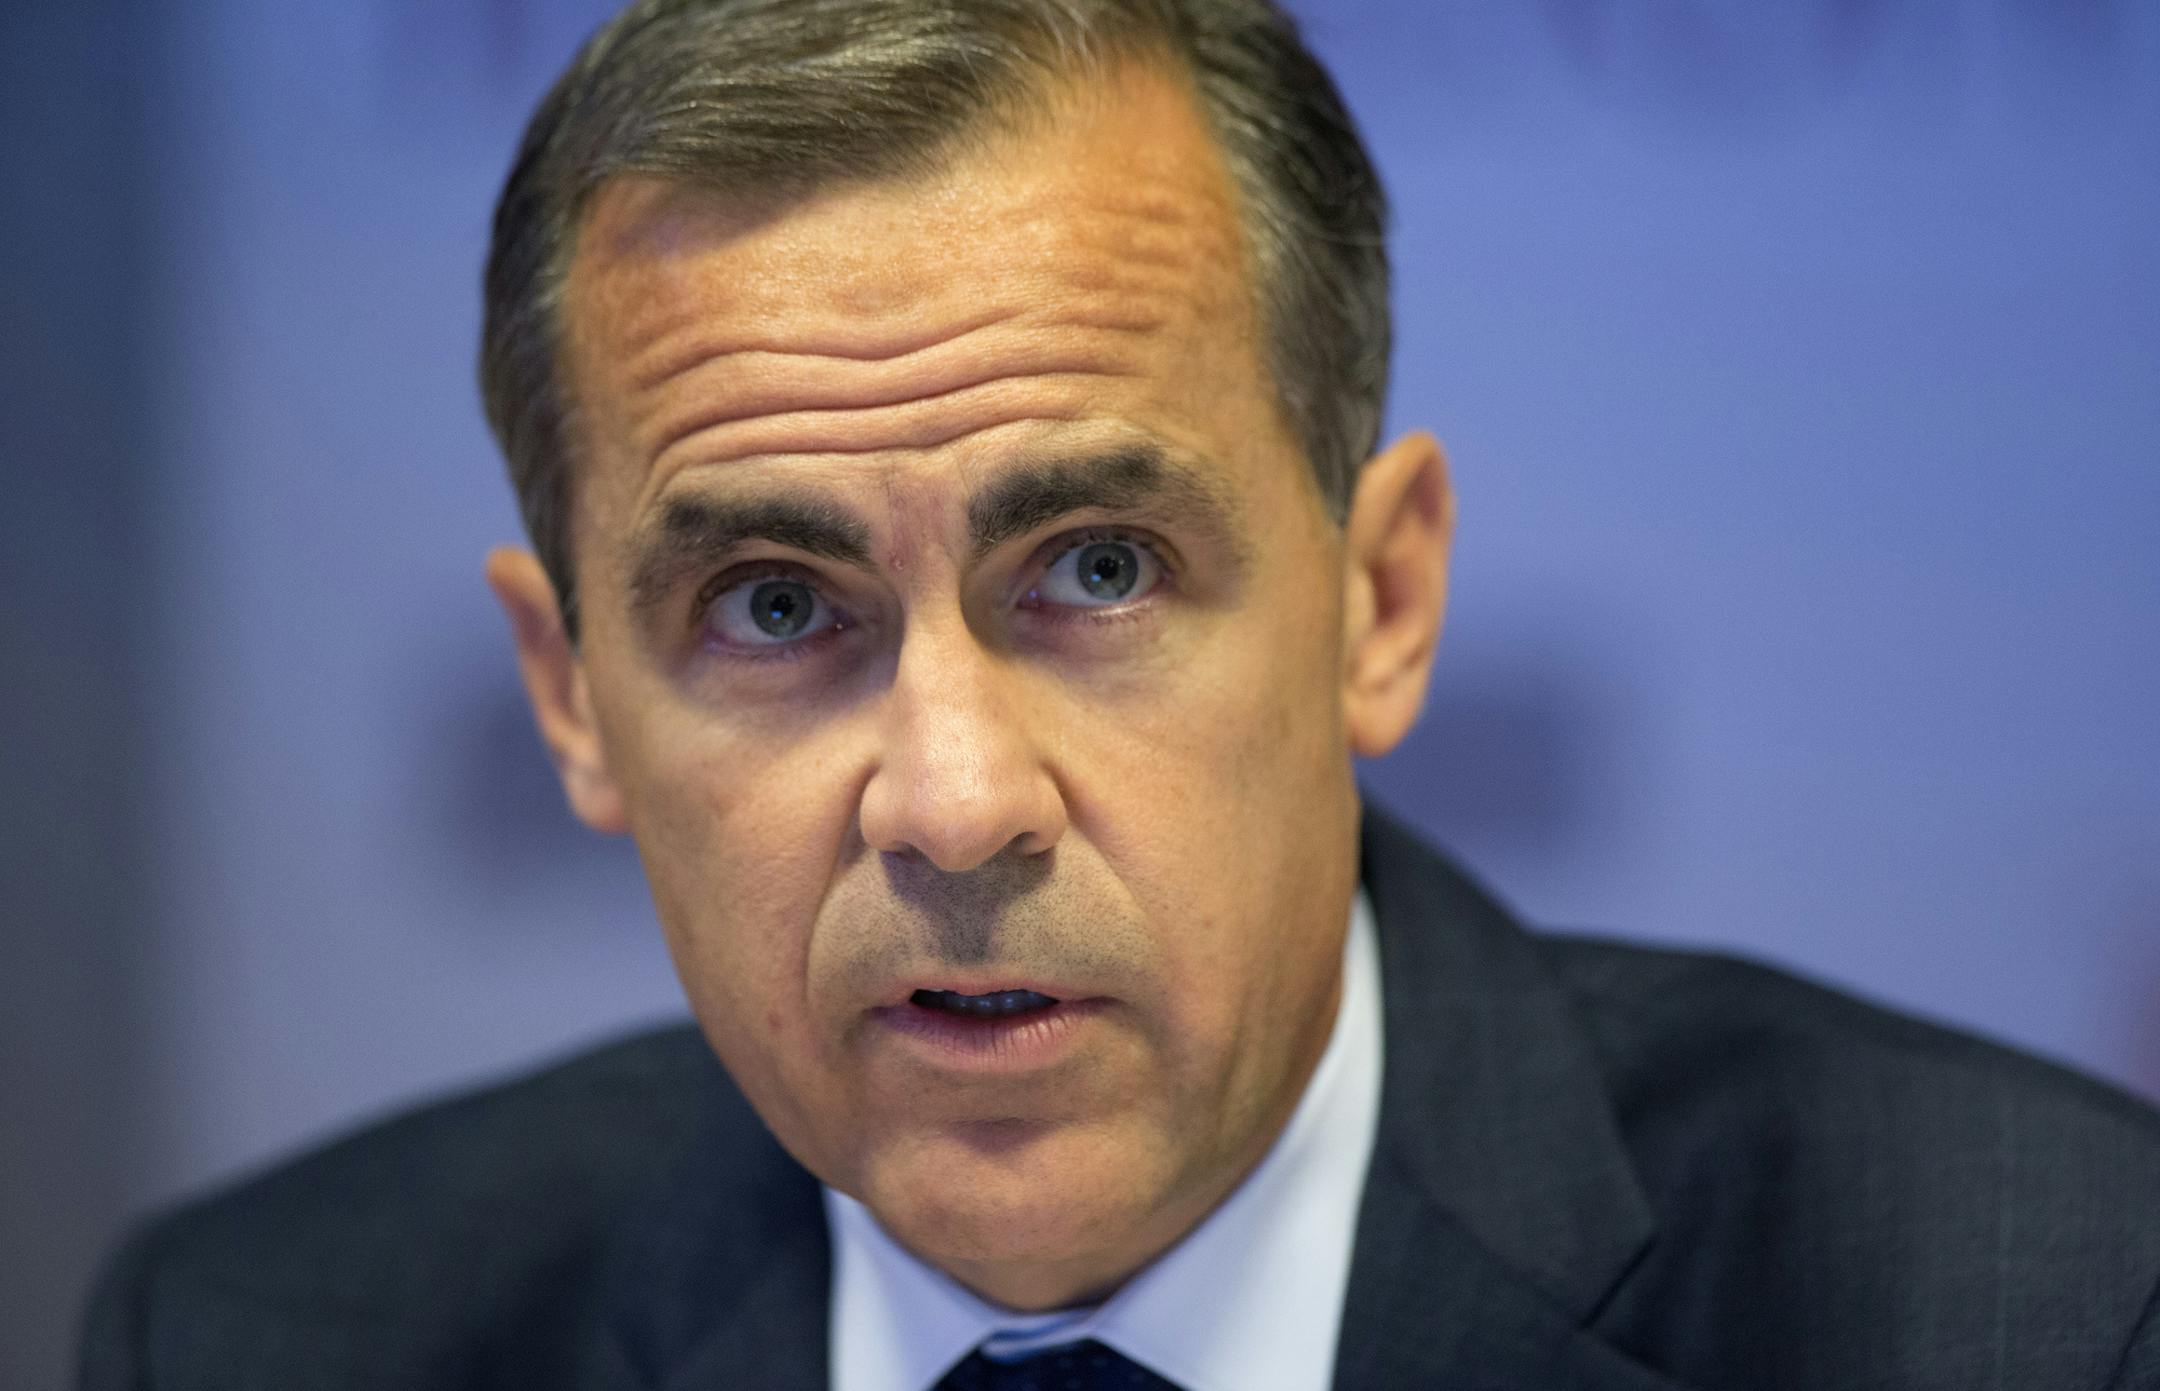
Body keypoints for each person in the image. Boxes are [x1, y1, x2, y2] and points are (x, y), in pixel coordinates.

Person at [79, 1, 2160, 1387]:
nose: (958, 804)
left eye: (1098, 569)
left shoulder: (2033, 1311)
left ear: (1380, 599)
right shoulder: (271, 1337)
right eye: (777, 609)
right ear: (572, 699)